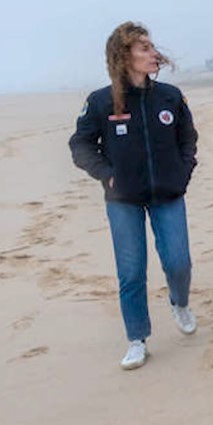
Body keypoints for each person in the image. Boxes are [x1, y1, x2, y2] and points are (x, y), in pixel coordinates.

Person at [70, 22, 198, 370]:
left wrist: (183, 172)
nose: (153, 53)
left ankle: (180, 302)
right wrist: (106, 174)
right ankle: (137, 339)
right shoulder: (100, 101)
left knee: (178, 262)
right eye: (143, 48)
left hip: (168, 193)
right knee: (131, 271)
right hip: (123, 199)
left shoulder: (170, 96)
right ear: (124, 55)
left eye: (151, 46)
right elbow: (80, 145)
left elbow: (188, 138)